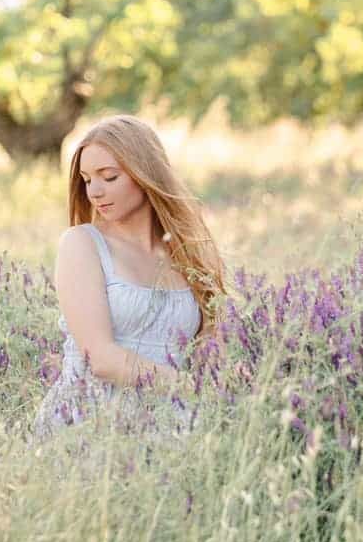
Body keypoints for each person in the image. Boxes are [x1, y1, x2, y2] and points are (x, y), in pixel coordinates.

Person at [32, 114, 228, 442]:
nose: (94, 191)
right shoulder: (83, 245)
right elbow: (101, 358)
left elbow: (207, 342)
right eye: (87, 179)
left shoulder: (186, 252)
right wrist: (189, 387)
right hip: (93, 426)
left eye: (108, 177)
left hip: (174, 425)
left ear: (144, 173)